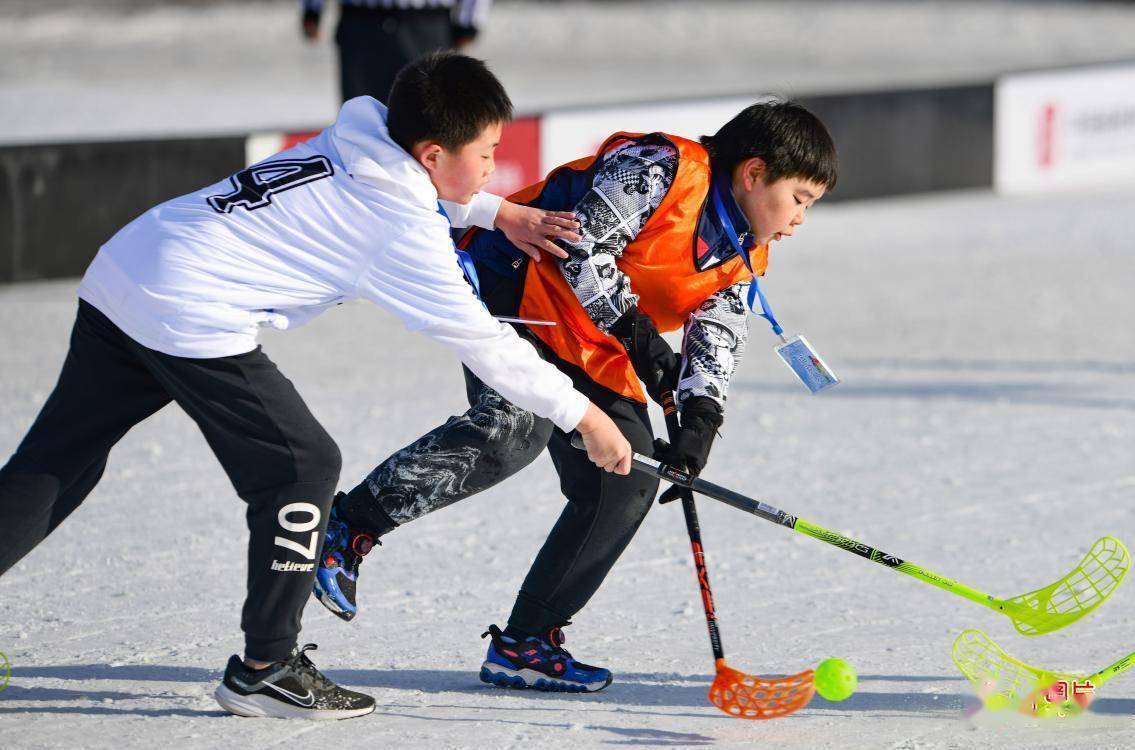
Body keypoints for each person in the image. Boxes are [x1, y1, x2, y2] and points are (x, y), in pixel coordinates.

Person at [0, 52, 631, 720]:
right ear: (432, 152)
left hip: (132, 263)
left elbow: (405, 182)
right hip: (187, 306)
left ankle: (265, 663)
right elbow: (481, 340)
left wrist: (493, 210)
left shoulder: (360, 132)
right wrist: (584, 416)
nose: (490, 165)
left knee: (57, 465)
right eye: (486, 152)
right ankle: (265, 668)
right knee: (301, 466)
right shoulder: (397, 227)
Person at [313, 100, 838, 692]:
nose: (798, 219)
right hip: (517, 294)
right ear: (754, 172)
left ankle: (526, 643)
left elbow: (717, 332)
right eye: (799, 199)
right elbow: (583, 248)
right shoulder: (664, 167)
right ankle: (346, 525)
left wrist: (700, 417)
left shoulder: (744, 249)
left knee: (628, 477)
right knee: (515, 429)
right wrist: (644, 341)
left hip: (590, 339)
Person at [302, 0, 493, 103]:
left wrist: (469, 19)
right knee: (360, 111)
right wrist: (312, 8)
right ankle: (360, 174)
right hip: (361, 21)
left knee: (428, 110)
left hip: (427, 23)